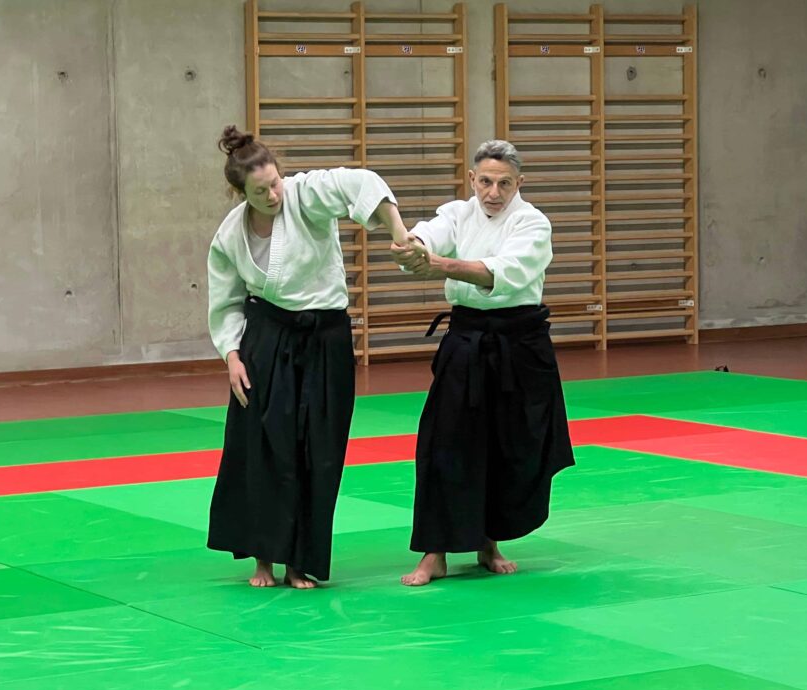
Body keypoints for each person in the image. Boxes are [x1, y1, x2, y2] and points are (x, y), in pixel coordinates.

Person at [207, 125, 411, 589]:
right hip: (266, 340)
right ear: (240, 192)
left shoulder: (306, 194)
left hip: (325, 339)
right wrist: (232, 355)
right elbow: (225, 300)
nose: (273, 193)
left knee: (318, 451)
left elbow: (360, 183)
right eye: (260, 191)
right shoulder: (230, 234)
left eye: (275, 182)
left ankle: (300, 560)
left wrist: (397, 228)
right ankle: (264, 557)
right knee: (262, 447)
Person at [393, 139, 575, 587]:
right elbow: (430, 231)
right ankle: (433, 553)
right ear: (472, 179)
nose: (494, 192)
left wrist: (438, 265)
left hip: (520, 346)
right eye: (486, 181)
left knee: (510, 447)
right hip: (467, 340)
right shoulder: (459, 212)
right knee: (443, 444)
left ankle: (488, 542)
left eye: (505, 183)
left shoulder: (532, 223)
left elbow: (499, 271)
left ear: (520, 184)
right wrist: (414, 246)